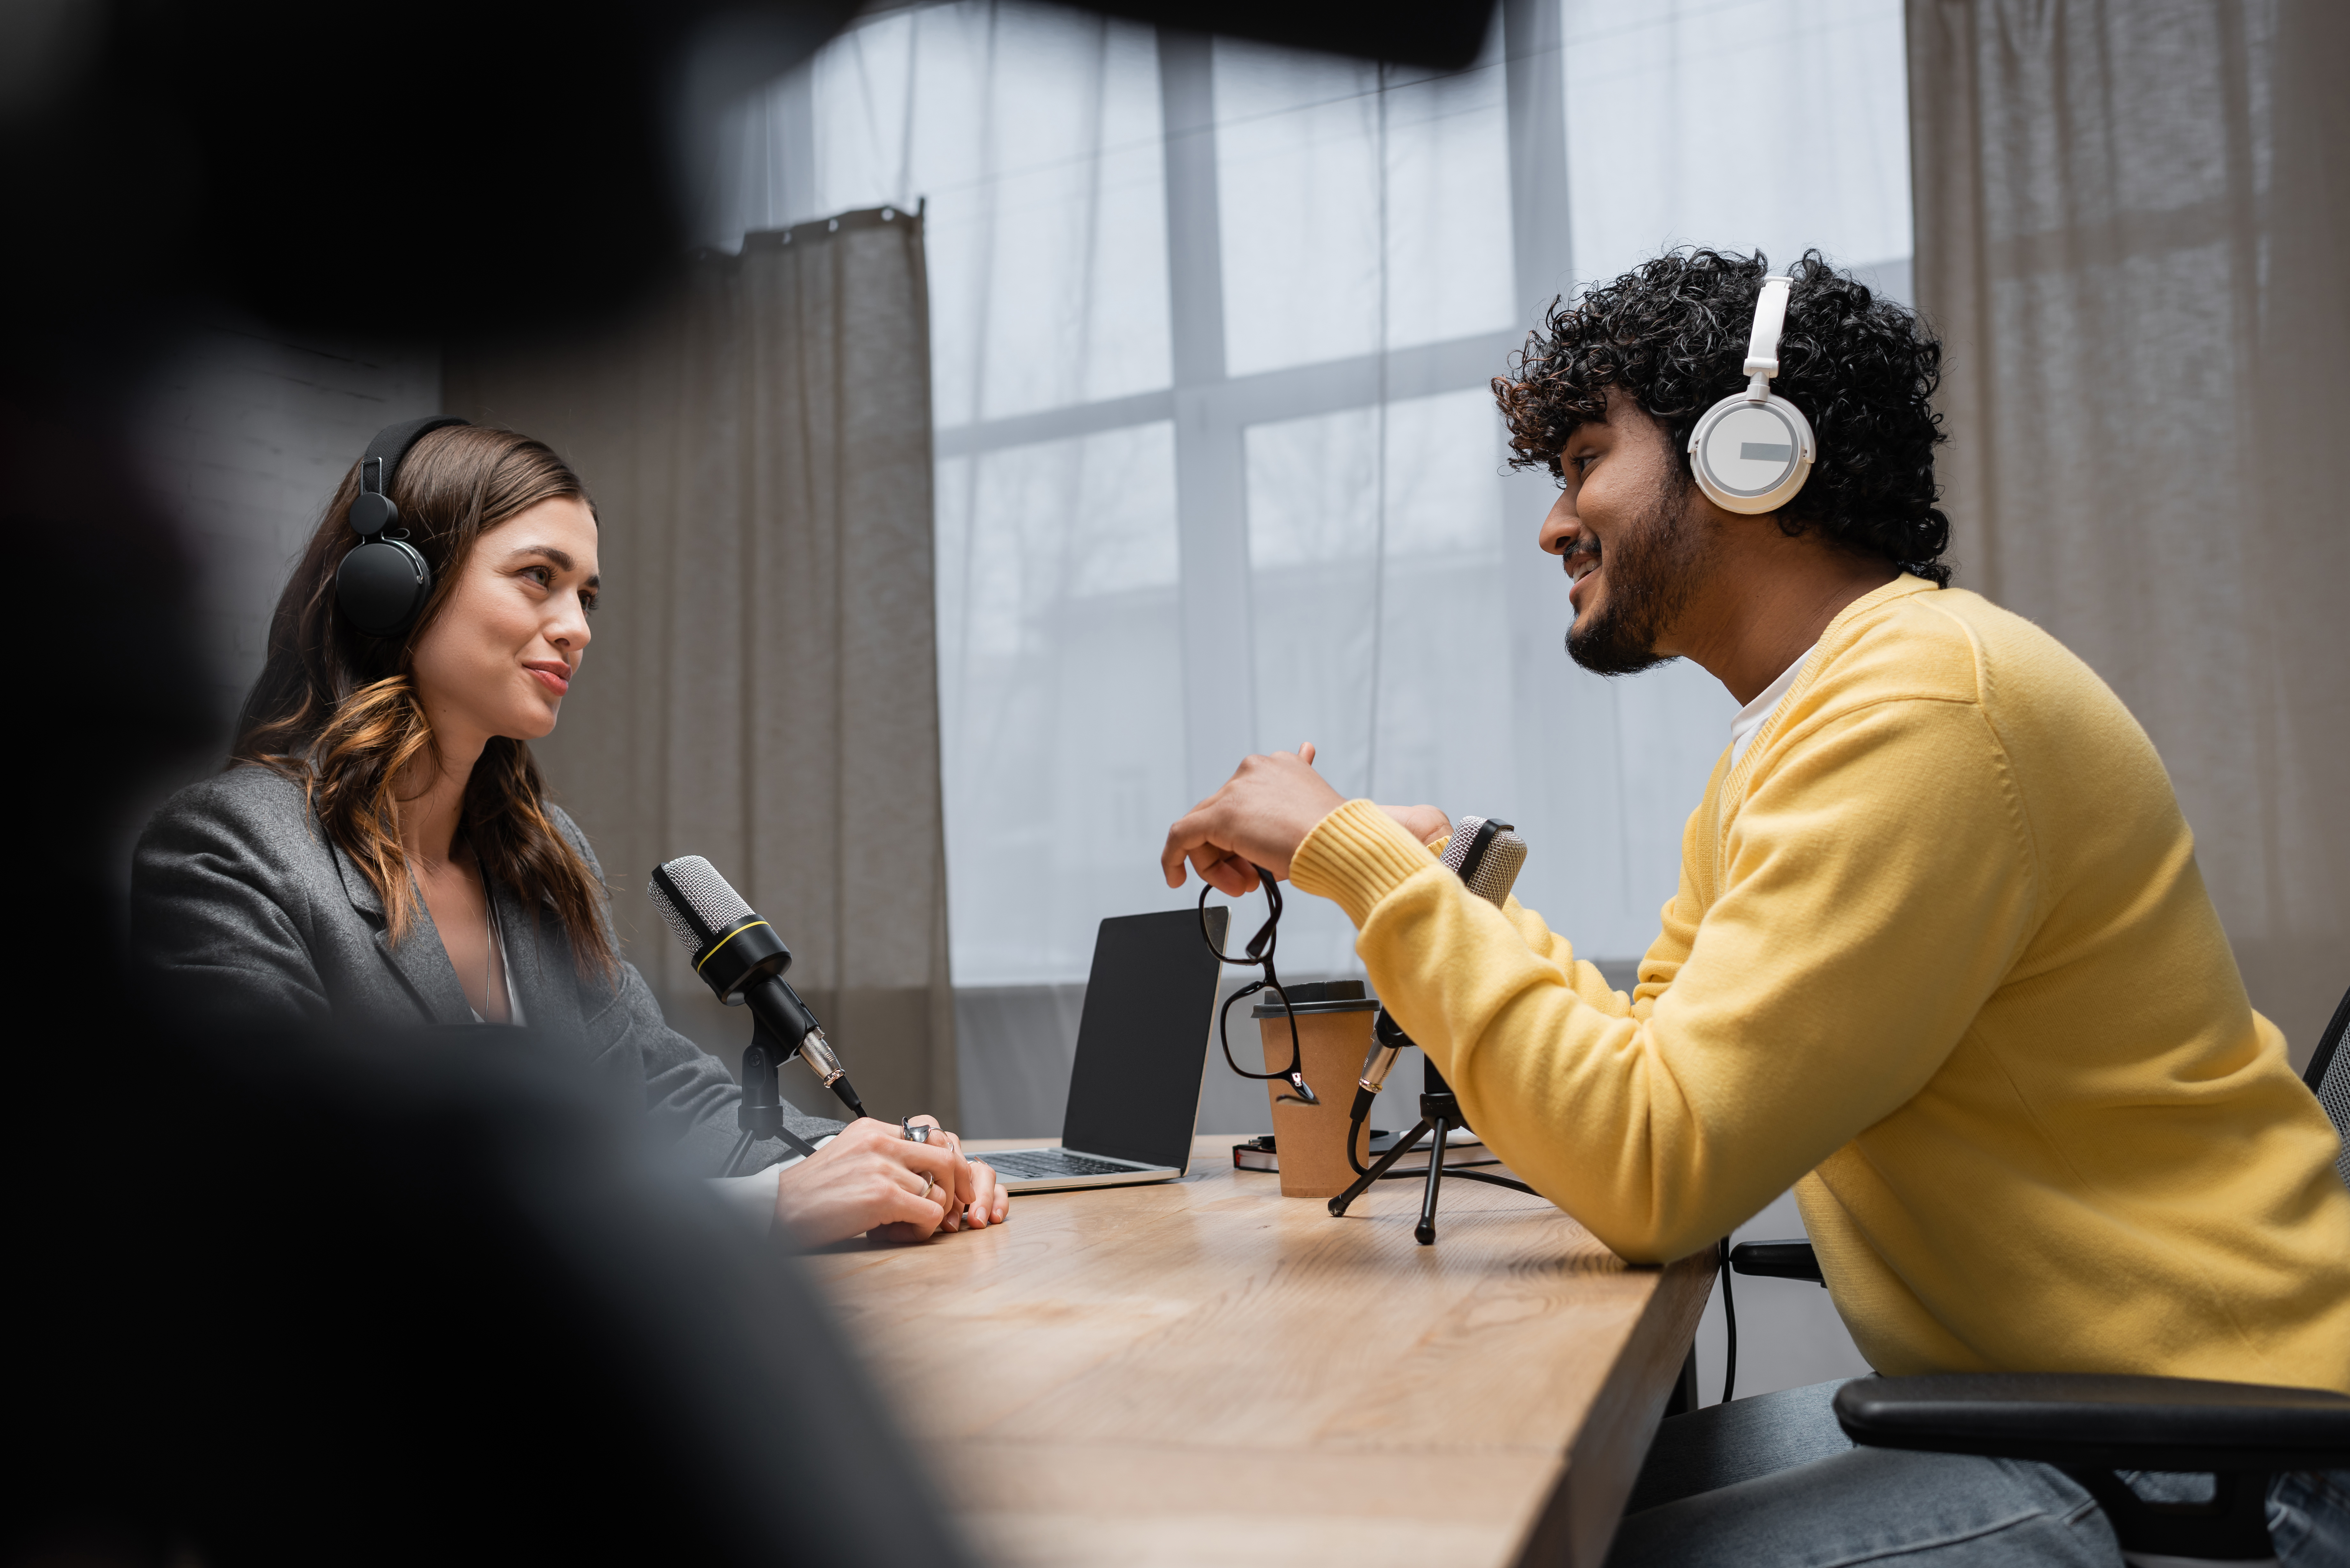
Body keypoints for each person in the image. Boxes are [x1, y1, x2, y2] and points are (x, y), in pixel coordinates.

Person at [1158, 250, 2350, 1565]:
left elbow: (1652, 1167)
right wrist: (1439, 879)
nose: (1553, 523)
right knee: (1524, 1507)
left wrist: (1358, 871)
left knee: (1522, 1539)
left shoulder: (1922, 711)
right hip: (2092, 1420)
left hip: (2238, 1465)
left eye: (1582, 459)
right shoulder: (1803, 726)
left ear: (1748, 449)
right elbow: (1654, 1058)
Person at [134, 421, 1005, 1247]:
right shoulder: (229, 850)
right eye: (537, 578)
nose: (577, 629)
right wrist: (767, 1210)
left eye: (585, 595)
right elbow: (284, 1199)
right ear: (395, 586)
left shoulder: (541, 854)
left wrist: (880, 1166)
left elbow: (671, 1103)